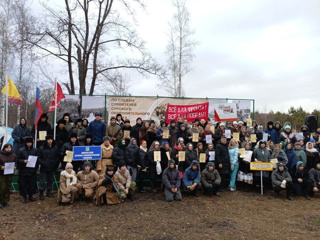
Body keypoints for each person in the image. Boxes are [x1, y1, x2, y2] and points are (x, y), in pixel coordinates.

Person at [38, 135, 60, 200]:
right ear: (46, 140)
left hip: (52, 167)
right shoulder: (42, 148)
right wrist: (43, 163)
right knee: (42, 181)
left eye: (51, 139)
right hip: (44, 167)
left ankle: (48, 192)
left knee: (50, 180)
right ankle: (41, 193)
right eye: (48, 139)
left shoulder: (55, 147)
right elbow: (39, 158)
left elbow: (57, 156)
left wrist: (55, 164)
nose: (50, 141)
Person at [17, 137, 38, 203]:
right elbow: (18, 160)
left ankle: (31, 196)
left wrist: (36, 168)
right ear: (25, 143)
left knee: (32, 184)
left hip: (32, 170)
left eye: (30, 143)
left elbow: (37, 159)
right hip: (23, 170)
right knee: (23, 184)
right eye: (28, 142)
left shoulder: (35, 150)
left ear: (32, 143)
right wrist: (23, 161)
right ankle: (24, 197)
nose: (29, 144)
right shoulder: (21, 150)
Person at [0, 144, 17, 208]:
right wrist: (1, 167)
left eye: (9, 147)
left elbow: (16, 162)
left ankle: (6, 201)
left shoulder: (13, 155)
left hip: (10, 174)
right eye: (7, 148)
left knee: (7, 188)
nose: (8, 149)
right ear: (4, 148)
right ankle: (1, 202)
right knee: (2, 188)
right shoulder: (0, 155)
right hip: (2, 174)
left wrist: (15, 166)